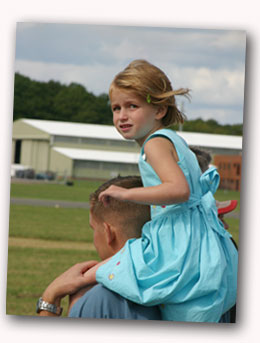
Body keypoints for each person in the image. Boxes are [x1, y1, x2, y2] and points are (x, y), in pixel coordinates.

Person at [82, 59, 238, 323]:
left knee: (125, 272)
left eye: (133, 106)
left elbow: (179, 190)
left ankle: (80, 287)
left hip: (179, 240)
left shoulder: (154, 144)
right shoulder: (173, 139)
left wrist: (126, 193)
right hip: (197, 234)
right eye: (116, 108)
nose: (122, 116)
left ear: (159, 110)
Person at [37, 176, 161, 320]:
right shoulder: (177, 282)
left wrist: (50, 299)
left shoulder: (100, 300)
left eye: (94, 229)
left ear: (108, 233)